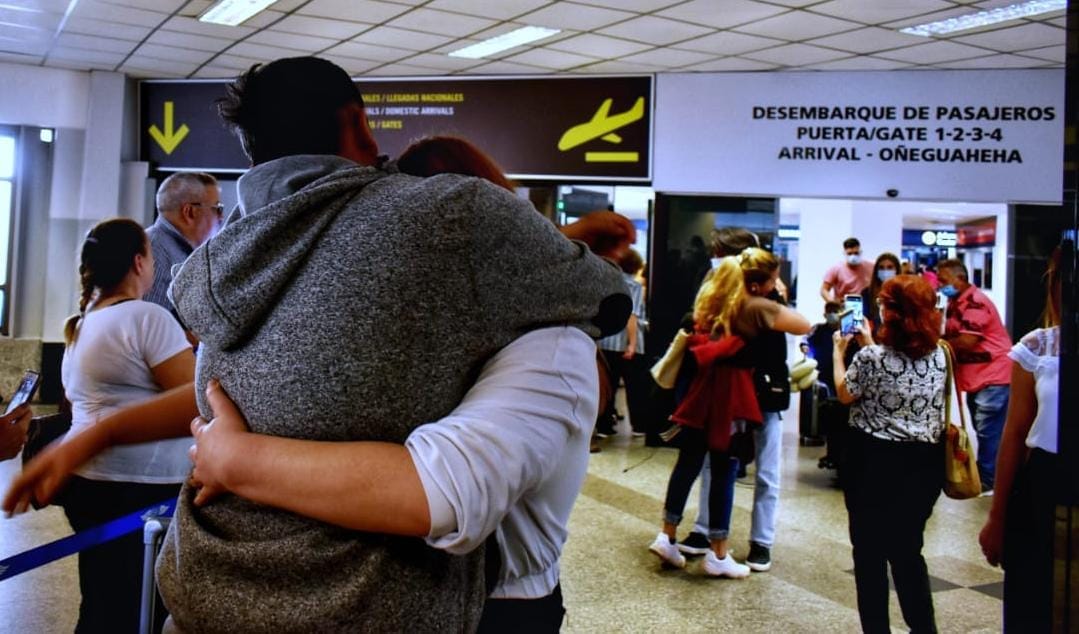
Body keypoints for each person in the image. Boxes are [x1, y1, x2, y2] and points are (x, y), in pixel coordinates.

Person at [39, 56, 620, 633]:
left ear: (252, 151)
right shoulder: (455, 216)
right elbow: (606, 297)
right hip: (362, 606)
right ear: (358, 124)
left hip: (204, 591)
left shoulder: (215, 270)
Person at [59, 218, 196, 633]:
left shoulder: (82, 323)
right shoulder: (146, 318)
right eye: (151, 257)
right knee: (138, 608)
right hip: (142, 487)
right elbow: (194, 398)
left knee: (101, 600)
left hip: (90, 481)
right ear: (139, 262)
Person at [650, 249, 809, 578]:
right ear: (758, 282)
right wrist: (776, 298)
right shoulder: (754, 306)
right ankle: (719, 554)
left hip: (700, 392)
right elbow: (802, 324)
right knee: (725, 468)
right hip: (731, 396)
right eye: (772, 278)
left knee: (689, 463)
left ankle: (667, 535)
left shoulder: (711, 300)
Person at [833, 274, 947, 634]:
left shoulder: (870, 358)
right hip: (922, 466)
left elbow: (845, 393)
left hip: (872, 463)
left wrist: (839, 353)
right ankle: (923, 628)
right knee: (908, 551)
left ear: (892, 312)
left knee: (869, 555)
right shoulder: (942, 355)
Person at [978, 249, 1063, 631]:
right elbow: (1014, 434)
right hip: (1044, 478)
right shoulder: (1039, 346)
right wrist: (997, 517)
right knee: (1032, 596)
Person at [677, 227, 759, 554]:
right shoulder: (713, 280)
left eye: (720, 250)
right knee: (708, 462)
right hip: (711, 381)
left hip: (733, 384)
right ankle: (709, 537)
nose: (715, 256)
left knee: (722, 463)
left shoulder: (754, 289)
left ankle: (719, 540)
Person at [937, 258, 1012, 494]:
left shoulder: (975, 302)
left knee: (989, 431)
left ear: (960, 279)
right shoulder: (956, 301)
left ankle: (989, 480)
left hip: (992, 375)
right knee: (984, 428)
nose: (940, 285)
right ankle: (984, 476)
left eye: (943, 280)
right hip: (978, 377)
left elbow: (969, 341)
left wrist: (937, 344)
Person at [143, 172, 221, 316]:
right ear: (190, 212)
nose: (221, 217)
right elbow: (146, 328)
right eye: (217, 208)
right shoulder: (156, 253)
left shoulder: (164, 248)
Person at [594, 248, 646, 438]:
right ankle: (639, 425)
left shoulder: (608, 282)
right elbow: (631, 316)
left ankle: (605, 425)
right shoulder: (634, 286)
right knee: (635, 386)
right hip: (627, 343)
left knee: (610, 385)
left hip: (607, 341)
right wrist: (632, 344)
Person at [821, 237, 874, 303]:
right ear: (844, 253)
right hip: (843, 307)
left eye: (856, 253)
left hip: (865, 307)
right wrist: (833, 303)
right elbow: (824, 290)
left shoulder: (870, 266)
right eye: (850, 253)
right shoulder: (836, 269)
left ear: (860, 252)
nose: (853, 256)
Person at [861, 252, 901, 333]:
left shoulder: (904, 292)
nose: (885, 271)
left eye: (890, 267)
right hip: (873, 337)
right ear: (876, 271)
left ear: (897, 270)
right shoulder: (867, 293)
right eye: (881, 268)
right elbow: (864, 317)